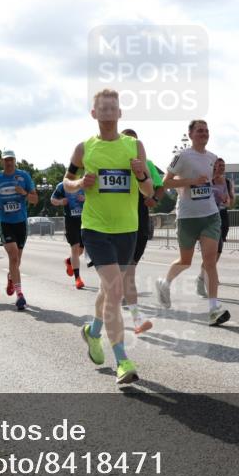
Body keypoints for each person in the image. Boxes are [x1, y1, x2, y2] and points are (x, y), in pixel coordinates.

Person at [64, 89, 154, 385]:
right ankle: (122, 360)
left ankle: (92, 332)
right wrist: (79, 183)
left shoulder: (134, 145)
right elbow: (66, 182)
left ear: (119, 113)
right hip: (95, 228)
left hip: (127, 230)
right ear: (94, 114)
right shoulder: (84, 148)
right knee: (115, 291)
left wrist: (141, 175)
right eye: (101, 107)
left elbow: (149, 192)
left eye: (112, 106)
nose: (107, 110)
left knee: (107, 290)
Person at [155, 120, 231, 326]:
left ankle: (214, 308)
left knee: (209, 261)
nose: (204, 134)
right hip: (188, 217)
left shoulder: (212, 158)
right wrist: (190, 182)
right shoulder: (182, 156)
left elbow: (209, 183)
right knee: (185, 261)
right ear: (190, 134)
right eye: (199, 131)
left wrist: (220, 190)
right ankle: (165, 283)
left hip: (210, 215)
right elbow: (166, 182)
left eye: (206, 131)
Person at [120, 129, 165, 333]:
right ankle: (102, 325)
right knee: (121, 274)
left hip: (139, 224)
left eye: (133, 141)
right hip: (115, 226)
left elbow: (161, 186)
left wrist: (154, 198)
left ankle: (134, 318)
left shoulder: (147, 164)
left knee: (129, 270)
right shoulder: (113, 164)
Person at [0, 149, 38, 310]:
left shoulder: (24, 176)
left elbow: (35, 199)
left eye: (11, 160)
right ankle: (20, 295)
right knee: (14, 257)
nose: (8, 162)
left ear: (15, 161)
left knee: (17, 260)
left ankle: (11, 277)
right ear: (2, 162)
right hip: (4, 221)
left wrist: (23, 193)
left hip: (21, 222)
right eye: (5, 160)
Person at [197, 157, 234, 297]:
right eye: (219, 165)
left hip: (222, 216)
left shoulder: (228, 182)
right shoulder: (206, 180)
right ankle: (203, 280)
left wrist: (226, 200)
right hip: (208, 217)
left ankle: (202, 276)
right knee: (210, 253)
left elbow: (230, 202)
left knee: (217, 251)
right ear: (213, 167)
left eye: (223, 165)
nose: (221, 168)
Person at [50, 181, 87, 290]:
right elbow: (52, 199)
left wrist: (85, 199)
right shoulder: (63, 186)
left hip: (85, 220)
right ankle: (78, 278)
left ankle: (69, 261)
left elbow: (97, 199)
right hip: (70, 221)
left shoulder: (85, 184)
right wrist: (61, 201)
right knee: (75, 248)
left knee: (81, 250)